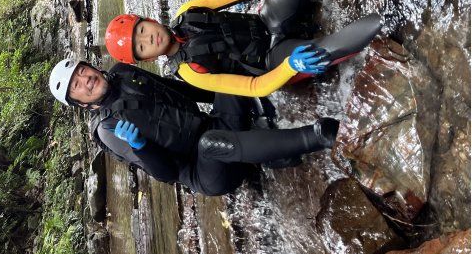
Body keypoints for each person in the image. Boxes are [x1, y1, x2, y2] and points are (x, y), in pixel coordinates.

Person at [104, 0, 382, 96]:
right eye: (141, 47)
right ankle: (386, 18)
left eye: (142, 30)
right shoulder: (191, 73)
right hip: (273, 61)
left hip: (266, 23)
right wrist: (289, 67)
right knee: (318, 52)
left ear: (149, 19)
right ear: (148, 59)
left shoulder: (188, 12)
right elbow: (254, 88)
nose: (148, 39)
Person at [48, 58, 339, 196]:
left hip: (216, 124)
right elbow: (166, 174)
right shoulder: (108, 130)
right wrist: (142, 147)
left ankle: (269, 138)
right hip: (206, 171)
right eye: (77, 85)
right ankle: (316, 136)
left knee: (227, 72)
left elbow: (176, 89)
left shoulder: (121, 72)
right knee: (210, 143)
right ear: (82, 104)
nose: (85, 79)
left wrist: (224, 91)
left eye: (82, 71)